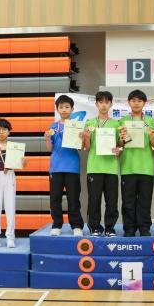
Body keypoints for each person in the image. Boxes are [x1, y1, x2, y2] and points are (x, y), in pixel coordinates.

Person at [119, 89, 154, 237]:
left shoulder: (150, 121)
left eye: (139, 101)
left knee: (145, 201)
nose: (136, 103)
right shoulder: (122, 121)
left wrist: (153, 136)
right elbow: (120, 145)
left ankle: (144, 228)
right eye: (133, 100)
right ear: (129, 103)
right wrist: (122, 138)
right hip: (128, 167)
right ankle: (129, 229)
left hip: (146, 167)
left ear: (144, 103)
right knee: (128, 201)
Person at [82, 91, 121, 237]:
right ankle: (95, 227)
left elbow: (119, 146)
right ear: (96, 104)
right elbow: (87, 147)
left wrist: (119, 150)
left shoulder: (116, 124)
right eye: (101, 102)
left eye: (107, 102)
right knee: (94, 200)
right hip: (94, 167)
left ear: (111, 104)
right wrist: (86, 137)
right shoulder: (89, 123)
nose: (104, 105)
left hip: (111, 168)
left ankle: (110, 227)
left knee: (112, 201)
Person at [45, 95, 84, 236]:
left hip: (72, 167)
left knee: (73, 198)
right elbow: (50, 148)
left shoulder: (77, 125)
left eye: (67, 107)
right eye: (61, 107)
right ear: (57, 109)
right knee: (55, 198)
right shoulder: (53, 126)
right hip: (56, 167)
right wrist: (48, 139)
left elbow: (80, 148)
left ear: (72, 109)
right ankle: (57, 224)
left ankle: (76, 225)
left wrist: (82, 138)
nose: (64, 109)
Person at [0, 118, 26, 248]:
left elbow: (22, 165)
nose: (1, 132)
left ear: (9, 132)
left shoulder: (14, 147)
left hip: (9, 175)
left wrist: (23, 161)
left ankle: (10, 237)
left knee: (10, 207)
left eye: (4, 129)